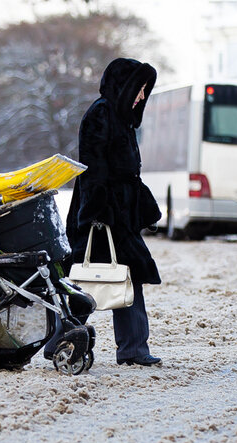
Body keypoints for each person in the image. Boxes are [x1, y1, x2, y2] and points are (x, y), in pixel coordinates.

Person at [47, 58, 163, 367]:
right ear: (123, 88)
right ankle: (67, 342)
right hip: (101, 217)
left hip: (115, 215)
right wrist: (97, 215)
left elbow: (126, 174)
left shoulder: (119, 118)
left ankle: (130, 348)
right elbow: (94, 170)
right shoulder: (101, 114)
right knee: (92, 280)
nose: (141, 97)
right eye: (138, 89)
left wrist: (141, 208)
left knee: (120, 278)